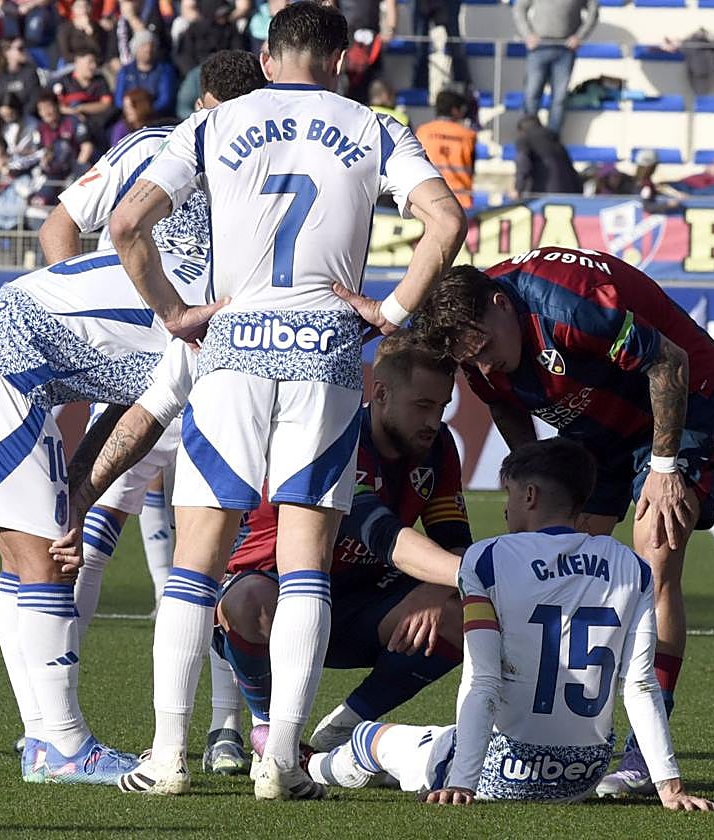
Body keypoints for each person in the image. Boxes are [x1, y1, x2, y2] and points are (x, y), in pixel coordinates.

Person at [108, 0, 465, 800]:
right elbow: (447, 219)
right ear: (340, 62)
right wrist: (393, 312)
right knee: (306, 565)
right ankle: (282, 763)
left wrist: (172, 311)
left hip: (234, 346)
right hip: (328, 351)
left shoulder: (213, 124)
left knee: (196, 564)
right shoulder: (373, 127)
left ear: (268, 60)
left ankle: (167, 758)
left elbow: (130, 221)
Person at [409, 245, 714, 798]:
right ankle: (549, 723)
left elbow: (670, 360)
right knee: (555, 562)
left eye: (486, 347)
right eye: (471, 359)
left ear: (500, 304)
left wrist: (663, 466)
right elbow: (502, 400)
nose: (483, 365)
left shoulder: (571, 302)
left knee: (651, 560)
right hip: (594, 425)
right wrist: (534, 473)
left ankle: (640, 751)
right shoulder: (474, 345)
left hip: (680, 403)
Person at [38, 48, 268, 776]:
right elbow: (59, 229)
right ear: (206, 107)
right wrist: (90, 314)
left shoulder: (261, 153)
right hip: (149, 374)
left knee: (213, 558)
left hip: (224, 374)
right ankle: (57, 726)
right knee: (88, 541)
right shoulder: (151, 148)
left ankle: (225, 729)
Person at [0, 247, 219, 785]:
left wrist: (77, 498)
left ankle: (41, 738)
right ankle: (67, 745)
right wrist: (76, 503)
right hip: (2, 377)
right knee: (51, 565)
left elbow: (122, 409)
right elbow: (144, 418)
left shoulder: (174, 266)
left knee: (22, 564)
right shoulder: (216, 310)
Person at [307, 439, 714, 814]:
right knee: (434, 741)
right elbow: (641, 685)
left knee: (368, 740)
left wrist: (462, 783)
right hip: (581, 775)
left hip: (501, 770)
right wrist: (670, 787)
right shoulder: (631, 566)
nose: (505, 507)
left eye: (509, 494)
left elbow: (482, 681)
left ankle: (308, 766)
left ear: (529, 495)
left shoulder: (487, 559)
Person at [216, 334, 470, 755]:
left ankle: (345, 725)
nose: (434, 420)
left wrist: (439, 586)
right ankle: (269, 727)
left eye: (442, 407)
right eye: (423, 406)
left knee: (459, 614)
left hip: (360, 600)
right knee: (250, 601)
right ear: (382, 393)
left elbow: (456, 541)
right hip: (278, 597)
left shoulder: (438, 447)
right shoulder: (336, 438)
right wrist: (476, 575)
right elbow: (383, 535)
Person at [513, 0, 599, 136]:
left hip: (565, 49)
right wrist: (527, 34)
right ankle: (529, 138)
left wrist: (580, 36)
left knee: (559, 98)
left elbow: (593, 10)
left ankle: (552, 140)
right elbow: (519, 8)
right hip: (539, 48)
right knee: (532, 94)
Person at [416, 90, 476, 210]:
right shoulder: (468, 135)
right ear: (454, 110)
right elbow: (472, 167)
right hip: (460, 202)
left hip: (428, 200)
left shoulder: (422, 132)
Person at [513, 112, 580, 199]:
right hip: (569, 191)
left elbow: (523, 164)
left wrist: (518, 188)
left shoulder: (524, 139)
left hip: (544, 192)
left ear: (521, 130)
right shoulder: (553, 139)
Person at [114, 30, 177, 117]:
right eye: (143, 46)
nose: (148, 49)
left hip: (157, 116)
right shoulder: (125, 71)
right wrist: (132, 111)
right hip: (130, 117)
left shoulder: (165, 70)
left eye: (151, 46)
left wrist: (146, 112)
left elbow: (165, 99)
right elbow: (119, 100)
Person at [0, 38, 43, 118]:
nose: (25, 51)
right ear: (6, 52)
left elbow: (34, 99)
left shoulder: (31, 73)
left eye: (25, 47)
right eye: (20, 48)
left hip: (25, 118)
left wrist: (18, 115)